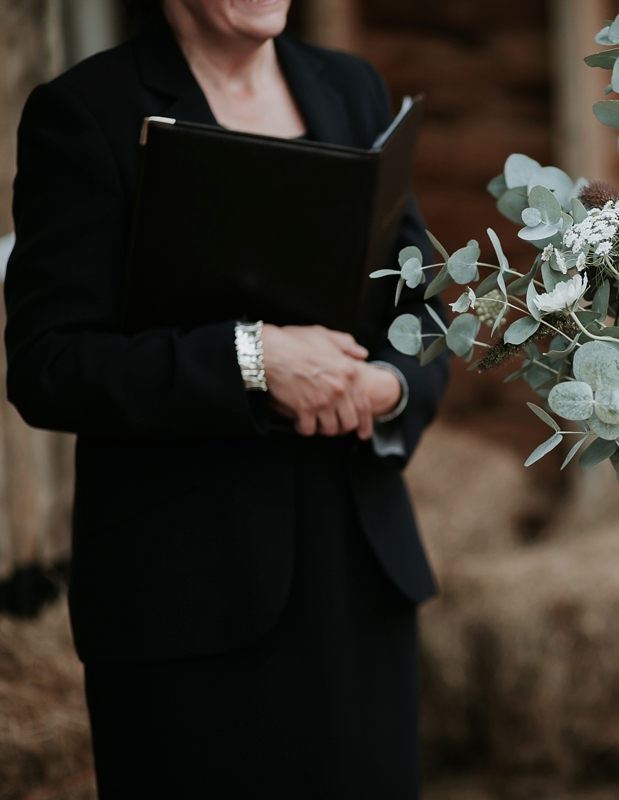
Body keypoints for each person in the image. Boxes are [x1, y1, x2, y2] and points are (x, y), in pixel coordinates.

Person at [3, 0, 447, 796]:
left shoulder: (351, 87)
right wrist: (250, 359)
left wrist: (384, 384)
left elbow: (422, 307)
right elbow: (48, 363)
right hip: (187, 599)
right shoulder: (84, 112)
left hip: (356, 573)